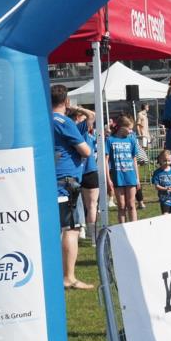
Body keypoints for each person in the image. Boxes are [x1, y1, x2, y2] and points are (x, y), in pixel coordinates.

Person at [52, 84, 93, 290]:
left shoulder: (43, 120)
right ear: (67, 102)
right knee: (72, 229)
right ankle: (69, 277)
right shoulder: (64, 121)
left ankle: (56, 274)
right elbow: (85, 151)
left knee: (56, 229)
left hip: (51, 179)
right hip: (67, 182)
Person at [106, 115, 141, 224]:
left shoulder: (131, 140)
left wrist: (137, 178)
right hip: (117, 177)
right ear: (121, 127)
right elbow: (106, 161)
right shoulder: (110, 140)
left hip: (130, 177)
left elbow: (134, 160)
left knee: (131, 205)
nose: (131, 131)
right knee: (121, 206)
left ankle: (134, 229)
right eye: (129, 128)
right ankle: (122, 229)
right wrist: (108, 179)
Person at [74, 108, 100, 242]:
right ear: (78, 118)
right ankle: (93, 237)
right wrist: (76, 108)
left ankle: (83, 230)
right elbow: (92, 115)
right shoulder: (79, 129)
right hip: (88, 170)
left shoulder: (71, 130)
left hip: (78, 171)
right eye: (83, 118)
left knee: (81, 204)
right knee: (92, 205)